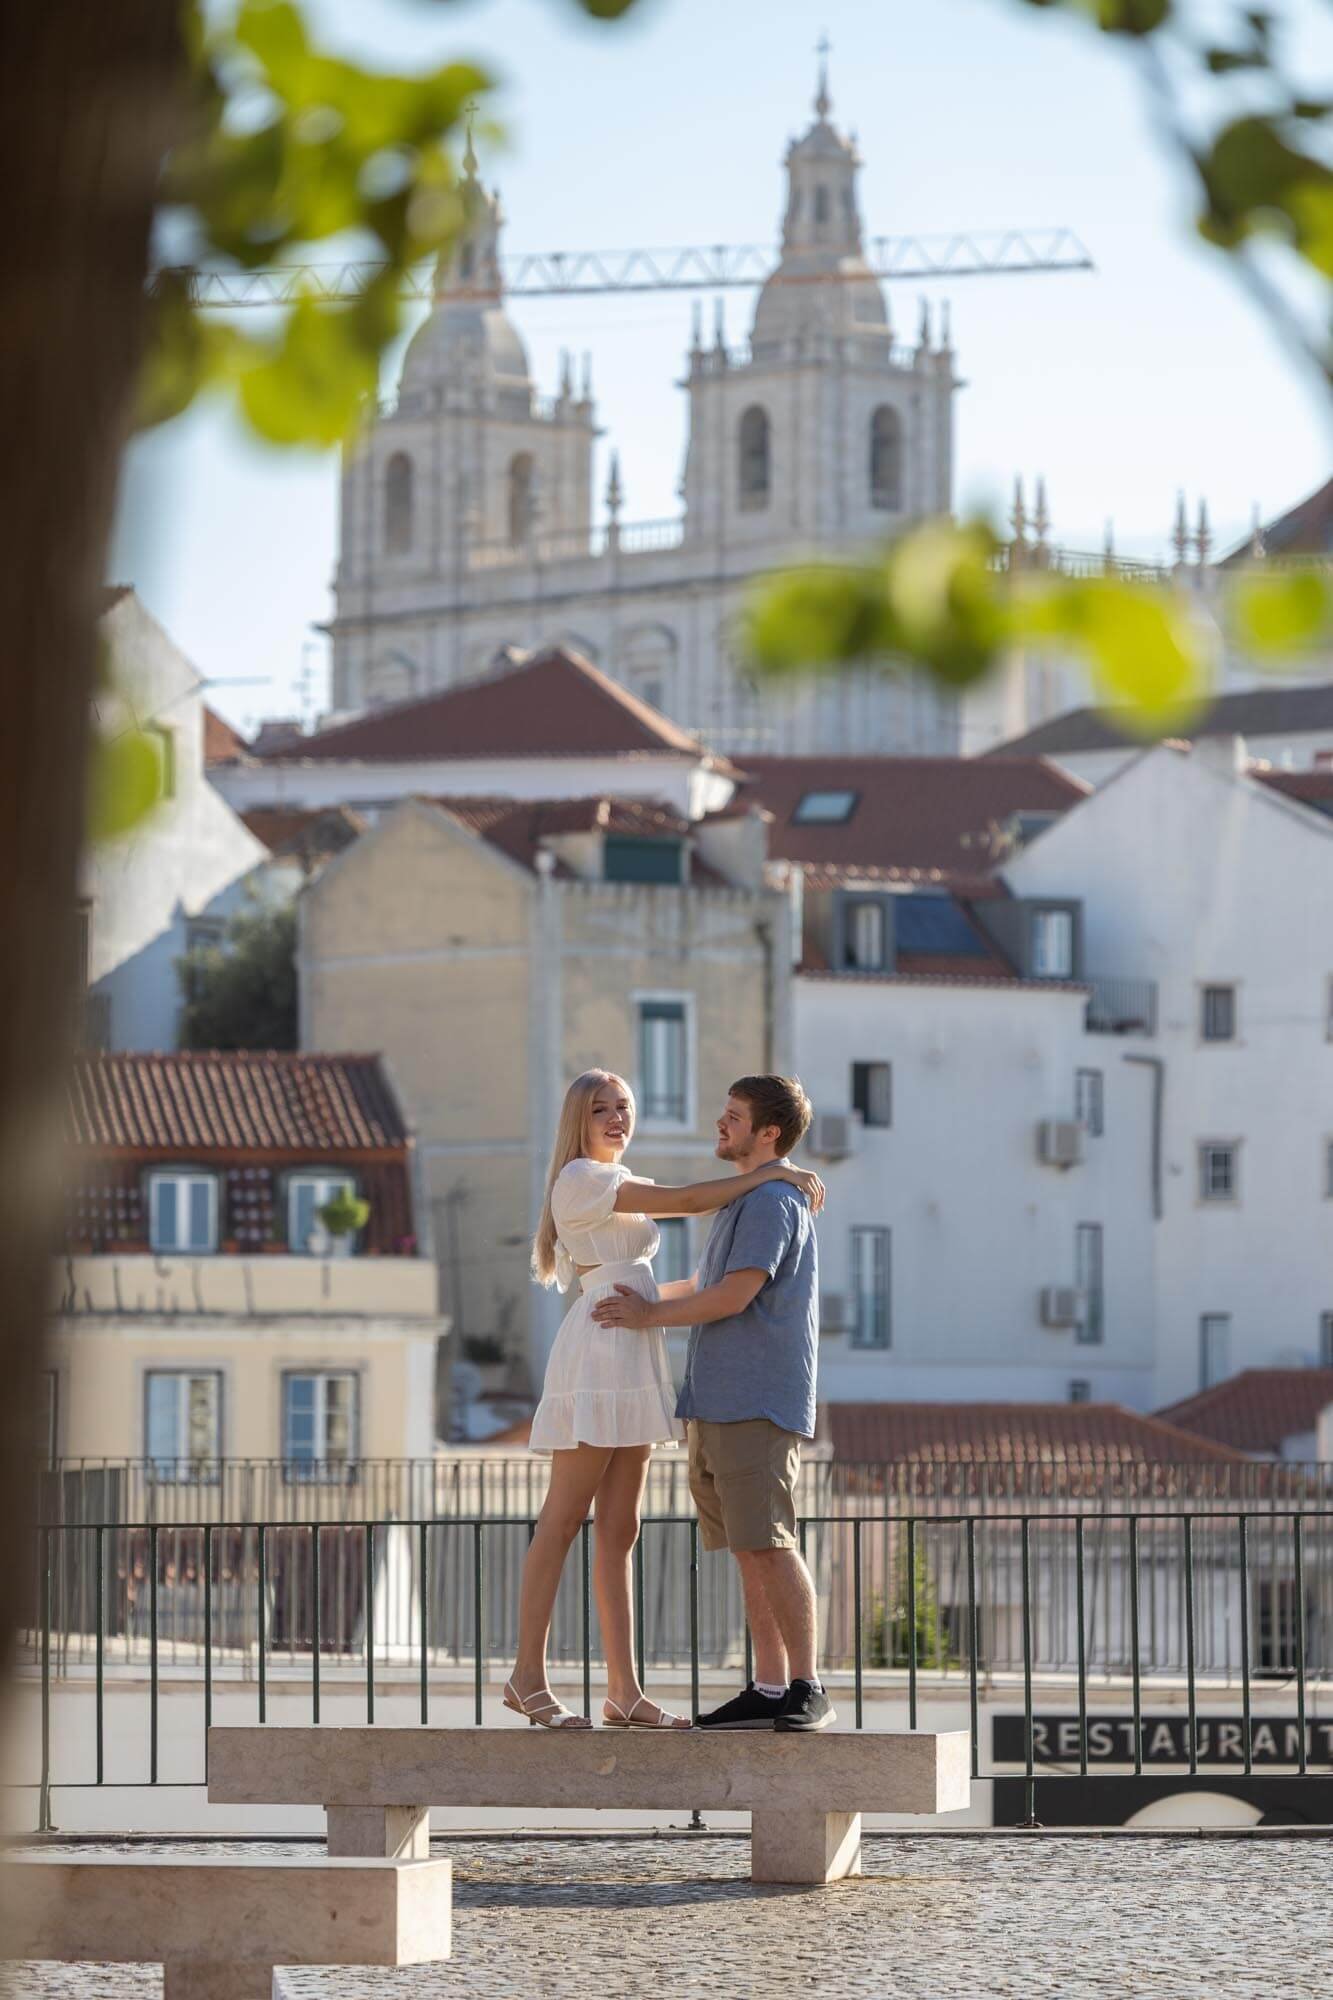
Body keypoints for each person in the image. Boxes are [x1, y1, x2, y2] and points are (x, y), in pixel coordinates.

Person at [504, 1067, 825, 1732]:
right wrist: (773, 1173)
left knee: (621, 1531)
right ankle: (526, 1678)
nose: (617, 1119)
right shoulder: (583, 1178)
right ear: (578, 1121)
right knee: (562, 1520)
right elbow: (685, 1200)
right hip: (602, 1345)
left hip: (633, 1342)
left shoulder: (617, 1180)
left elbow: (664, 1284)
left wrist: (661, 1308)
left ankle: (623, 1691)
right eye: (601, 1110)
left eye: (623, 1107)